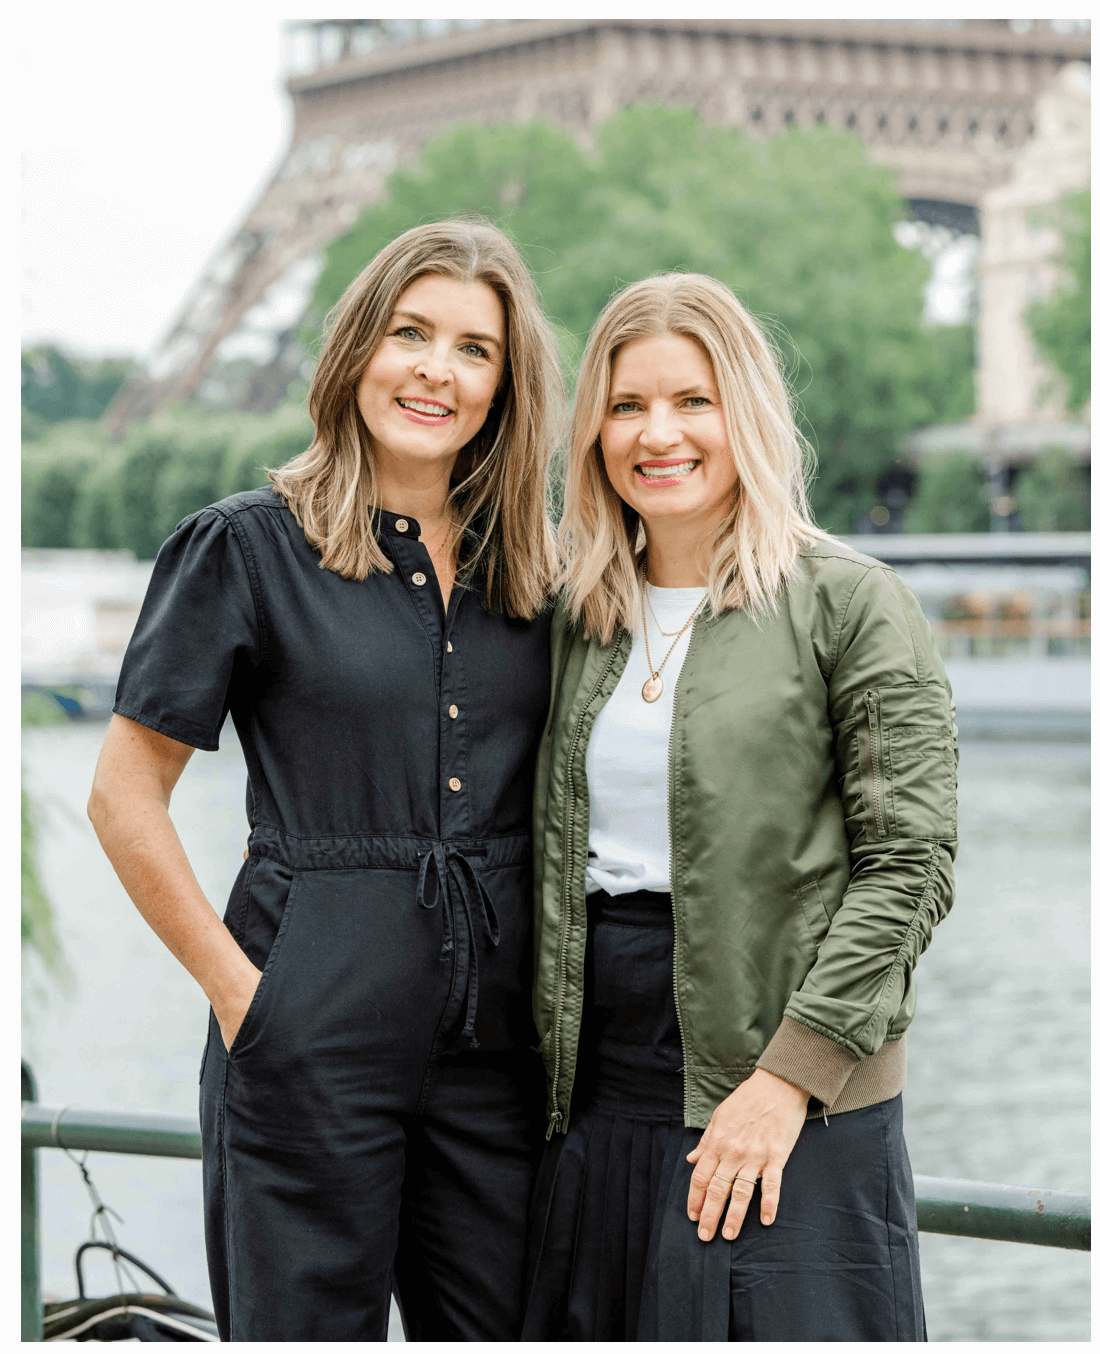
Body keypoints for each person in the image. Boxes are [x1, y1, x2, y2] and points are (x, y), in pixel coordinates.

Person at [88, 219, 563, 1341]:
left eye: (472, 349)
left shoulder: (539, 570)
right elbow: (120, 796)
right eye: (410, 333)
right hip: (305, 1030)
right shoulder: (244, 547)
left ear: (503, 385)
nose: (435, 370)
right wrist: (245, 997)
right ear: (357, 349)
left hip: (500, 1056)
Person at [522, 273, 958, 1342]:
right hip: (592, 1089)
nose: (655, 434)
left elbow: (909, 866)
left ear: (745, 414)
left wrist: (785, 1080)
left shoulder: (848, 601)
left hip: (788, 1083)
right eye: (625, 406)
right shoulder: (571, 614)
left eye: (690, 402)